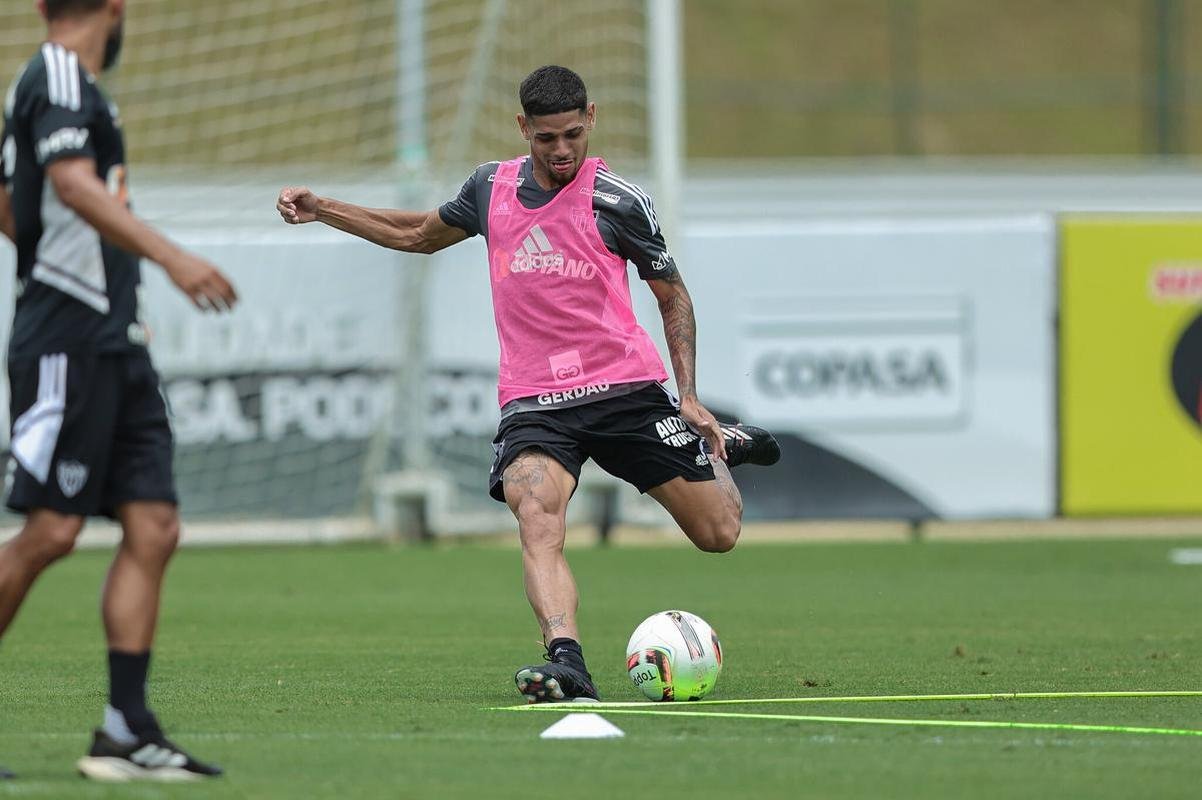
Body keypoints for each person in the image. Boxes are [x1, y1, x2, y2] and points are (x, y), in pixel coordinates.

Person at [276, 65, 779, 703]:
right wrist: (325, 209)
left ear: (591, 118)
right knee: (536, 514)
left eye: (573, 134)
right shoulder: (491, 188)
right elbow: (417, 234)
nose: (562, 150)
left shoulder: (619, 202)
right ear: (523, 129)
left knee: (719, 535)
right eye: (547, 138)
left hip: (625, 386)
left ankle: (717, 442)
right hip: (537, 400)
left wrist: (687, 396)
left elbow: (672, 296)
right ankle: (566, 660)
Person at [0, 0, 236, 781]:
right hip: (68, 342)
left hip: (115, 341)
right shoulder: (61, 75)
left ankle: (125, 730)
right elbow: (69, 184)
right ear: (114, 7)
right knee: (52, 532)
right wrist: (171, 259)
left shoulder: (73, 87)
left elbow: (16, 199)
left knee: (155, 523)